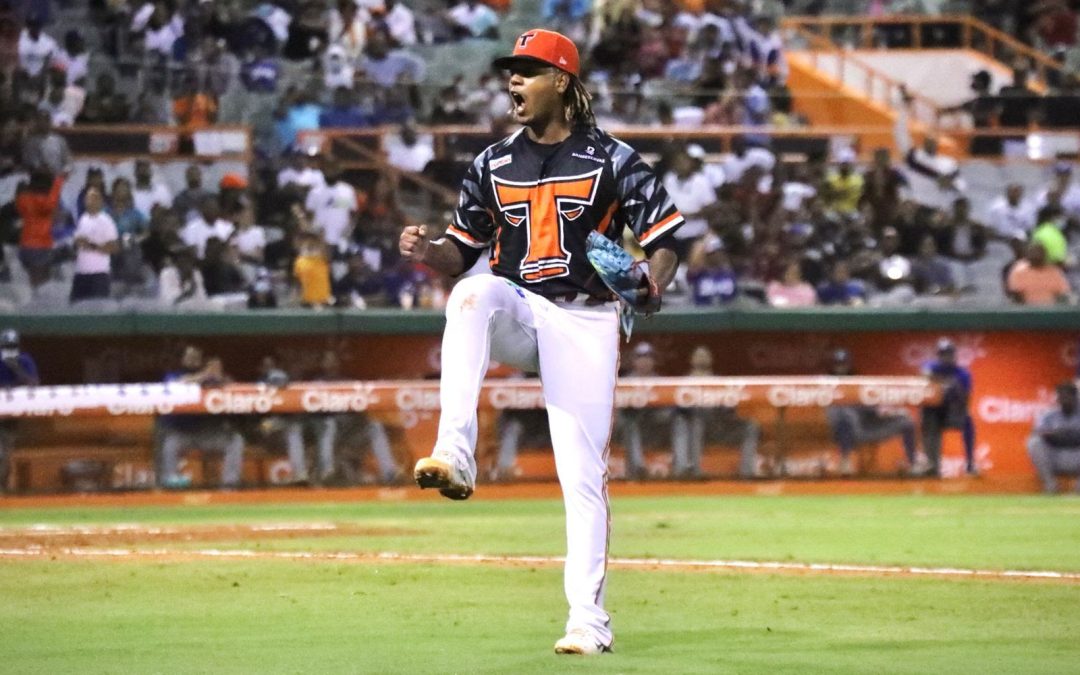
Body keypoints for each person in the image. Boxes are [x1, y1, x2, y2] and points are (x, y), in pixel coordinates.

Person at [398, 29, 683, 656]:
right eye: (512, 71)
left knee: (582, 476)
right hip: (523, 307)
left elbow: (664, 242)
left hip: (585, 320)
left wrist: (651, 284)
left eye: (527, 71)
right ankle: (456, 452)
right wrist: (428, 252)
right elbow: (461, 252)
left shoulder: (614, 158)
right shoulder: (491, 162)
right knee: (471, 293)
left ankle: (588, 622)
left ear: (561, 80)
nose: (514, 81)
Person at [157, 345, 245, 489]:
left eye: (197, 357)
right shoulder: (174, 375)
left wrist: (221, 380)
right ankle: (171, 487)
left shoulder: (213, 379)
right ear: (182, 359)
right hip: (181, 433)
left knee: (235, 440)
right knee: (169, 444)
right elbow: (175, 385)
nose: (193, 360)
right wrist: (204, 375)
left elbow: (234, 389)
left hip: (206, 433)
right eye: (190, 357)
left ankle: (229, 486)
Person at [825, 348, 921, 477]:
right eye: (838, 364)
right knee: (845, 416)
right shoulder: (827, 384)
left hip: (868, 426)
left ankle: (912, 463)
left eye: (843, 364)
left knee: (906, 421)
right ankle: (845, 461)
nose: (841, 368)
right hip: (847, 431)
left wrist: (884, 409)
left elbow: (873, 407)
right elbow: (834, 415)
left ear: (848, 364)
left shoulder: (859, 382)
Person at [673, 345, 760, 479]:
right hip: (694, 428)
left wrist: (723, 405)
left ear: (711, 360)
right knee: (696, 421)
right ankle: (695, 471)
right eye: (698, 355)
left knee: (750, 425)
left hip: (719, 427)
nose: (702, 358)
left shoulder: (720, 381)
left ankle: (746, 472)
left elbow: (730, 409)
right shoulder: (684, 382)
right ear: (691, 360)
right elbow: (677, 410)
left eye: (705, 355)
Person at [920, 338, 976, 477]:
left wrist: (953, 390)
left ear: (954, 355)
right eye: (943, 354)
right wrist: (936, 379)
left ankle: (970, 464)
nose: (946, 357)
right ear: (939, 355)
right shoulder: (931, 367)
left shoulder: (962, 373)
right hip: (935, 413)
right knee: (927, 417)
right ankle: (933, 465)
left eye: (949, 353)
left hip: (953, 412)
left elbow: (966, 399)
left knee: (968, 420)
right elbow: (924, 373)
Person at [0, 329, 40, 492]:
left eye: (12, 346)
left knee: (4, 453)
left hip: (13, 418)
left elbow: (33, 384)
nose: (9, 349)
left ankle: (2, 488)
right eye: (6, 346)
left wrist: (15, 367)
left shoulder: (24, 359)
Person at [1027, 381, 1080, 495]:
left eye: (1067, 396)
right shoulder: (1049, 415)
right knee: (1034, 442)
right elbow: (1038, 432)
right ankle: (1051, 486)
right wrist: (1057, 434)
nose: (1064, 400)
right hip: (1056, 456)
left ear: (1075, 397)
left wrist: (1068, 434)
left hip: (1077, 456)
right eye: (1061, 396)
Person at [70, 186, 119, 303]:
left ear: (101, 201)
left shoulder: (106, 221)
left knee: (97, 308)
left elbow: (114, 247)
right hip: (81, 272)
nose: (91, 201)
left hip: (99, 274)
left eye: (95, 198)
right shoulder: (83, 219)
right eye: (88, 198)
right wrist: (77, 243)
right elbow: (78, 242)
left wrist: (91, 246)